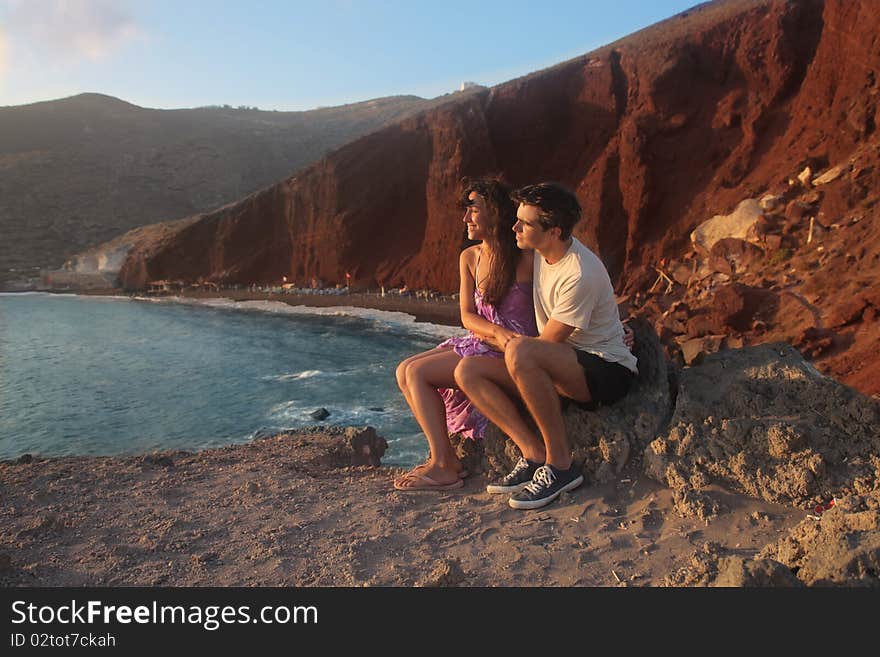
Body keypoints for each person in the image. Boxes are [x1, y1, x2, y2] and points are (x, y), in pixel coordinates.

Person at [454, 182, 638, 509]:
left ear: (553, 232)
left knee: (522, 352)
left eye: (524, 223)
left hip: (604, 371)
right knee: (467, 370)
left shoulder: (579, 273)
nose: (514, 226)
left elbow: (545, 346)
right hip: (564, 362)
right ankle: (533, 455)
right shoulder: (540, 254)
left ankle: (561, 466)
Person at [393, 178, 538, 491]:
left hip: (514, 351)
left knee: (417, 373)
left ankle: (444, 464)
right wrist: (496, 332)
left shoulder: (526, 258)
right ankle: (442, 457)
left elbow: (565, 297)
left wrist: (613, 329)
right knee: (404, 370)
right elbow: (467, 316)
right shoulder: (470, 257)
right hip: (485, 341)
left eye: (473, 209)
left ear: (495, 213)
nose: (465, 218)